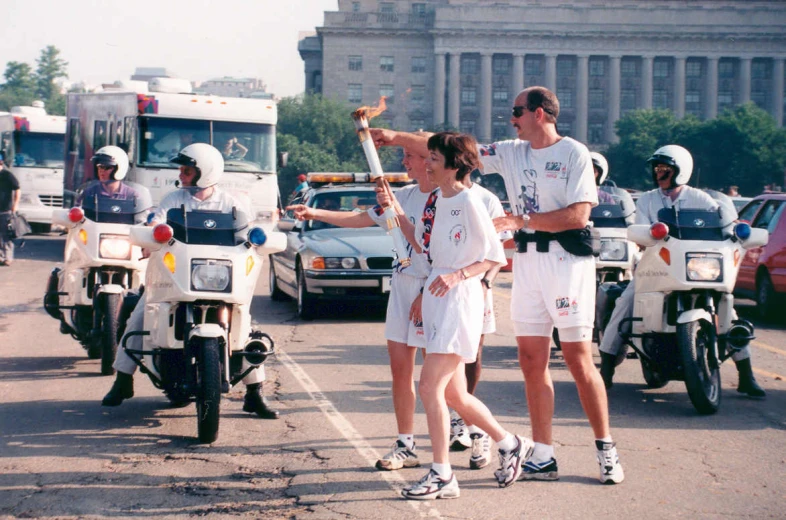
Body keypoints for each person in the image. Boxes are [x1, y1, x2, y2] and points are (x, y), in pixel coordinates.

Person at [370, 86, 624, 486]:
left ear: (540, 113)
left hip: (567, 260)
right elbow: (452, 148)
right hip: (528, 261)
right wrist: (393, 137)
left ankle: (605, 449)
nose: (512, 118)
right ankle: (542, 453)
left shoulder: (572, 153)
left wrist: (520, 221)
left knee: (577, 360)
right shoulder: (512, 151)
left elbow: (578, 215)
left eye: (517, 111)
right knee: (531, 360)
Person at [395, 132, 529, 499]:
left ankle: (441, 474)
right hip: (439, 298)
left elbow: (494, 257)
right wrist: (399, 219)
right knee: (454, 394)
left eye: (434, 158)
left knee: (429, 387)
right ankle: (510, 443)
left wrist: (456, 275)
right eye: (428, 157)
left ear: (454, 165)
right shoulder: (437, 200)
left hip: (460, 300)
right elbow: (427, 248)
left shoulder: (470, 201)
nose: (426, 163)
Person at [101, 143, 279, 418]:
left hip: (219, 278)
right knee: (138, 318)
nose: (181, 174)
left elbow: (248, 234)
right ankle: (123, 380)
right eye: (182, 169)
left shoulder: (232, 203)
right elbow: (155, 225)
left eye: (187, 170)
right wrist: (150, 236)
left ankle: (255, 393)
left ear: (204, 173)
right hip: (174, 278)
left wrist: (260, 241)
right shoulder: (173, 199)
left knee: (245, 326)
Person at [287, 144, 436, 471]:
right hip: (402, 283)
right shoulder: (405, 195)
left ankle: (474, 429)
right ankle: (406, 444)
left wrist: (427, 293)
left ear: (429, 160)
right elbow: (360, 218)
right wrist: (314, 213)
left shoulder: (443, 199)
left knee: (441, 380)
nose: (404, 161)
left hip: (432, 289)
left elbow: (432, 248)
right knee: (401, 371)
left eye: (410, 155)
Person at [599, 145, 765, 398]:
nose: (659, 174)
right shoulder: (647, 199)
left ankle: (746, 375)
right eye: (657, 169)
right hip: (655, 266)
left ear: (680, 171)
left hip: (696, 266)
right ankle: (607, 370)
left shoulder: (702, 199)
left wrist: (737, 234)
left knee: (729, 310)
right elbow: (640, 233)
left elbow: (724, 229)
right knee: (624, 302)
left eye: (665, 169)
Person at [0, 151, 20, 266]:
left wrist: (15, 205)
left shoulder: (7, 175)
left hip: (5, 210)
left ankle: (8, 258)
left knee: (6, 235)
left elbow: (17, 189)